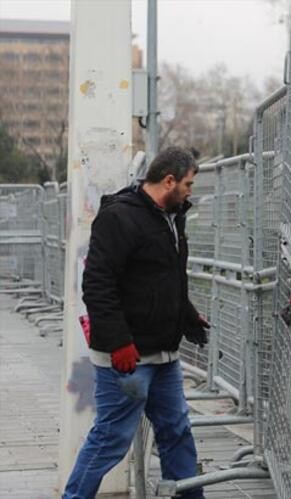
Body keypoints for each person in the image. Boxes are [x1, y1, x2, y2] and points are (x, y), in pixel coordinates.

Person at [62, 146, 209, 499]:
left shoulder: (172, 217)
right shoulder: (120, 218)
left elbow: (166, 279)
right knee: (111, 439)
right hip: (126, 359)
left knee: (176, 431)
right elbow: (97, 285)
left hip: (163, 356)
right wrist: (118, 343)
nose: (191, 191)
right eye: (188, 184)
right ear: (169, 180)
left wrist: (187, 317)